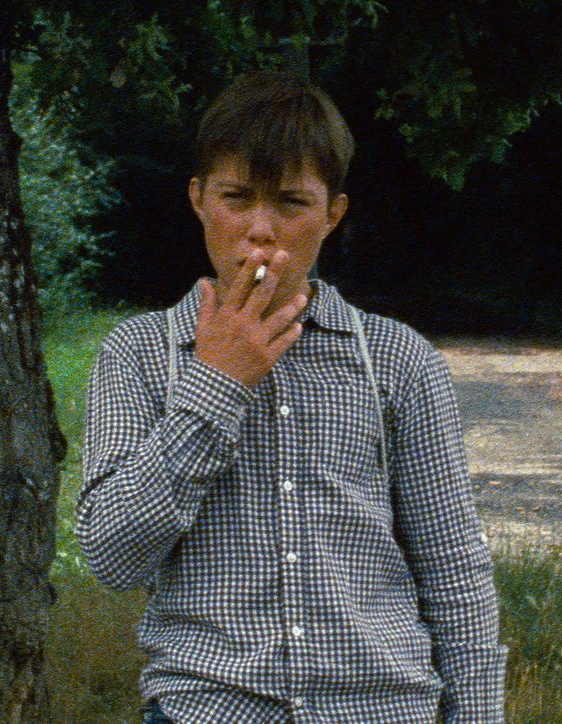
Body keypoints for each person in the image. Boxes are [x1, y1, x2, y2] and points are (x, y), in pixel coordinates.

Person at [76, 70, 507, 723]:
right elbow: (112, 556)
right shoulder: (138, 354)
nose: (259, 229)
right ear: (197, 200)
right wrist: (217, 384)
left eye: (290, 202)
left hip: (383, 708)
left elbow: (453, 566)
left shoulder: (397, 360)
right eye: (235, 196)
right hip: (208, 709)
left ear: (332, 213)